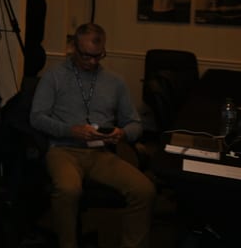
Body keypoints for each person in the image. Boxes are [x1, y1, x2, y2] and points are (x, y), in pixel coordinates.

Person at [29, 23, 156, 248]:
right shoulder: (54, 77)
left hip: (101, 152)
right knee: (69, 190)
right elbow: (36, 117)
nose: (93, 62)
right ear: (73, 49)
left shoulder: (115, 82)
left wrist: (123, 133)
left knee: (144, 190)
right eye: (87, 56)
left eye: (99, 56)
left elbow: (136, 124)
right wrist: (70, 130)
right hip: (63, 150)